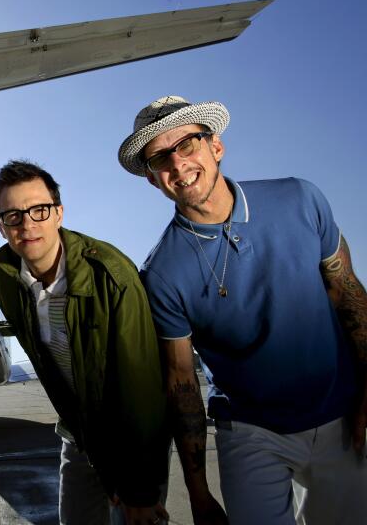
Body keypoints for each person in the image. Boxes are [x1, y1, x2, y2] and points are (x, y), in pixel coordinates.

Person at [118, 95, 367, 524]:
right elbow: (181, 384)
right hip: (251, 432)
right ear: (152, 179)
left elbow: (348, 294)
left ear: (215, 146)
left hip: (340, 417)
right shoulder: (160, 273)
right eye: (160, 157)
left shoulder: (301, 199)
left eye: (187, 145)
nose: (177, 164)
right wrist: (198, 493)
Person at [0, 160, 169, 525]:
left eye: (39, 210)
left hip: (129, 438)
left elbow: (142, 388)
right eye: (13, 216)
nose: (28, 224)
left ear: (59, 213)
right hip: (78, 434)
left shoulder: (112, 275)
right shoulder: (4, 278)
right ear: (1, 226)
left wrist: (140, 490)